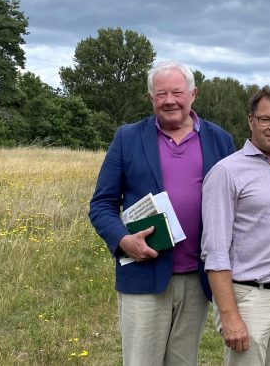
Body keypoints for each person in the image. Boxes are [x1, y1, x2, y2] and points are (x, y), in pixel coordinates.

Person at [89, 60, 235, 366]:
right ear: (151, 98)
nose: (170, 100)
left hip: (198, 277)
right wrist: (123, 240)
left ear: (193, 94)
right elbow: (102, 205)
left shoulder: (220, 140)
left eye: (177, 92)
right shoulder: (127, 138)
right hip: (144, 274)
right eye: (161, 94)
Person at [201, 85, 270, 366]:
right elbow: (215, 251)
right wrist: (230, 315)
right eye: (266, 119)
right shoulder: (227, 172)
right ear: (251, 120)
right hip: (248, 299)